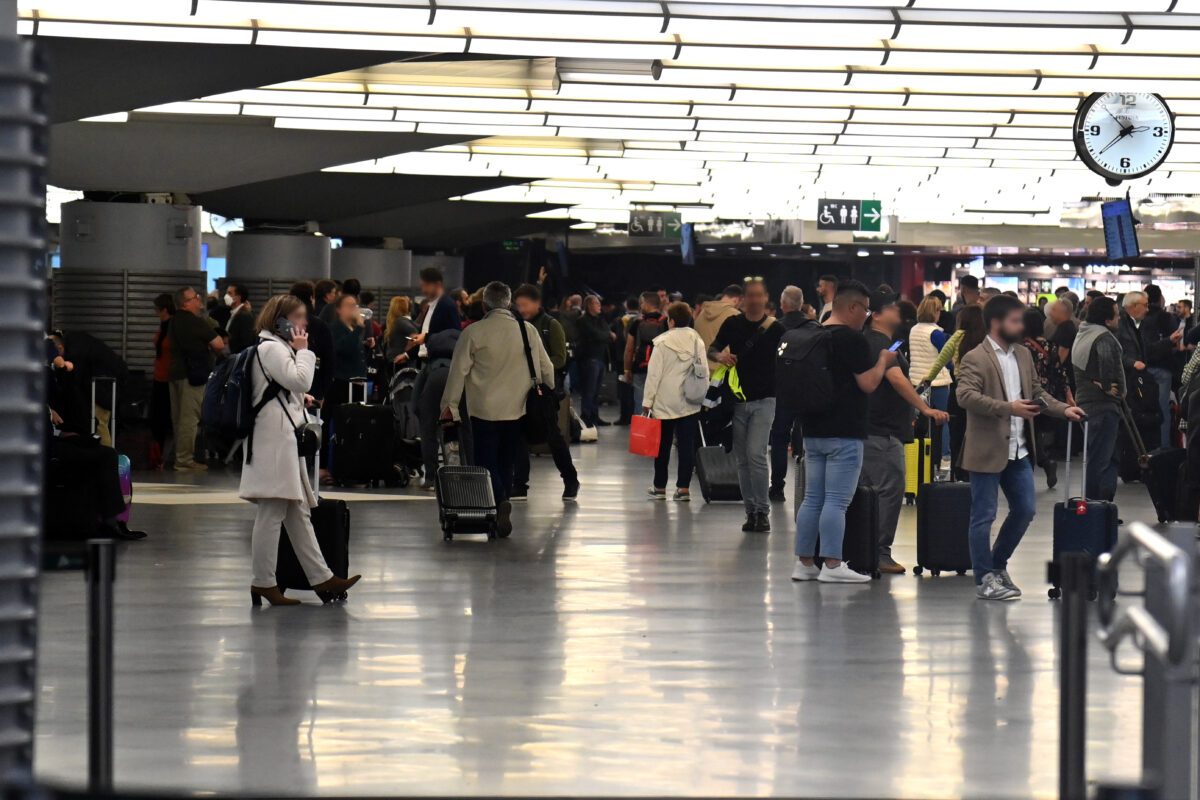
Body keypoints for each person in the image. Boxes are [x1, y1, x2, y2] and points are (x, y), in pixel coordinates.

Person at [957, 295, 1083, 601]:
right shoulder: (976, 357)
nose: (1021, 326)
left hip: (1019, 450)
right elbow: (965, 396)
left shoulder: (1024, 354)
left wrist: (1063, 409)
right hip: (986, 450)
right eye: (1015, 321)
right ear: (996, 323)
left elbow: (1038, 392)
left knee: (1025, 510)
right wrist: (1008, 408)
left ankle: (997, 565)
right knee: (983, 516)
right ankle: (984, 579)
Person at [238, 294, 361, 607]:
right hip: (274, 441)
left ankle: (321, 577)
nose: (304, 323)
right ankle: (263, 582)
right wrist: (305, 351)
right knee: (273, 511)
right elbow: (302, 380)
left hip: (278, 439)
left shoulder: (273, 348)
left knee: (297, 512)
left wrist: (297, 396)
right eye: (298, 318)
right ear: (280, 320)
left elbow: (285, 387)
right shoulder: (272, 348)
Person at [792, 280, 896, 583]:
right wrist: (883, 361)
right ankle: (833, 564)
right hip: (845, 431)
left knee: (812, 498)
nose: (867, 316)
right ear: (853, 307)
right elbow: (869, 383)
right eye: (866, 309)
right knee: (837, 501)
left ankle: (805, 563)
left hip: (813, 428)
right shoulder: (852, 340)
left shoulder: (813, 333)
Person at [441, 281, 555, 538]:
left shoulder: (473, 332)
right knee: (507, 459)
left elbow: (457, 373)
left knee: (485, 461)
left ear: (484, 305)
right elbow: (546, 369)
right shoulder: (527, 330)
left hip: (483, 409)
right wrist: (549, 393)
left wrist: (449, 407)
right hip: (518, 409)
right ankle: (502, 504)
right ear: (509, 304)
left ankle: (500, 499)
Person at [859, 288, 948, 573]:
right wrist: (925, 409)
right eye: (891, 307)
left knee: (875, 490)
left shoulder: (883, 341)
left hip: (876, 429)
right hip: (882, 432)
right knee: (889, 490)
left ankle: (868, 550)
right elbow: (896, 379)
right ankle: (879, 552)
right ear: (876, 315)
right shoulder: (878, 343)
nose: (897, 311)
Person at [708, 279, 785, 533]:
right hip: (737, 399)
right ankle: (750, 511)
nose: (754, 300)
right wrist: (720, 356)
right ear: (743, 299)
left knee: (756, 453)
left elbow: (787, 358)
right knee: (742, 458)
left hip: (766, 399)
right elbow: (712, 348)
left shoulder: (776, 329)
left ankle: (762, 511)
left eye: (758, 295)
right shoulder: (732, 324)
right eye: (750, 295)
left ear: (766, 298)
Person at [511, 283, 580, 503]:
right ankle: (520, 484)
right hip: (518, 390)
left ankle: (570, 479)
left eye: (525, 304)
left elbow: (560, 358)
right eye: (518, 305)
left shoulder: (551, 325)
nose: (522, 309)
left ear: (536, 303)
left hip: (542, 392)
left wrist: (535, 368)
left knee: (553, 436)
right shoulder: (514, 325)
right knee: (518, 437)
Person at [642, 302, 707, 501]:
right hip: (690, 400)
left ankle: (659, 487)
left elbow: (654, 375)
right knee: (686, 446)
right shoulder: (697, 342)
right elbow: (704, 372)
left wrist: (647, 400)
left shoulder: (662, 343)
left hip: (664, 401)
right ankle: (683, 489)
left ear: (670, 321)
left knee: (662, 446)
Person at [1072, 297, 1126, 502]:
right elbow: (1106, 361)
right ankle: (1097, 506)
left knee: (1101, 456)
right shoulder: (1103, 337)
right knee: (1102, 459)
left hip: (1086, 402)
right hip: (1103, 406)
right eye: (1116, 315)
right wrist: (1106, 385)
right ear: (1107, 320)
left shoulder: (1083, 333)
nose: (1119, 318)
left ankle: (1101, 505)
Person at [169, 286, 224, 471]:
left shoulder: (174, 321)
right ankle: (184, 460)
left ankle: (179, 456)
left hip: (176, 374)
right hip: (193, 376)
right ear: (186, 303)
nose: (199, 299)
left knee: (178, 419)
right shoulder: (196, 322)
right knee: (189, 419)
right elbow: (219, 344)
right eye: (195, 297)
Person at [1023, 309, 1071, 489]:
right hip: (1048, 396)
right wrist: (1068, 395)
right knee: (1036, 433)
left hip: (1027, 394)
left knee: (1028, 433)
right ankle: (1044, 460)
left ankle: (1040, 463)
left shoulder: (1022, 347)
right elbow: (1060, 371)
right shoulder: (1050, 345)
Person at [768, 285, 808, 501]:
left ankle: (777, 487)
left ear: (783, 304)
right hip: (807, 391)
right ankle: (809, 487)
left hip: (782, 391)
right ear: (801, 304)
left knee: (780, 437)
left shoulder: (775, 328)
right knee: (807, 437)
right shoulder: (814, 327)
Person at [909, 296, 954, 463]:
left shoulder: (913, 330)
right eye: (938, 311)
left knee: (920, 421)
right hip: (937, 382)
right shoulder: (936, 333)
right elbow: (947, 360)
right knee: (943, 419)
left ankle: (919, 455)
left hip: (917, 382)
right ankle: (945, 455)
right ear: (934, 312)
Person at [1142, 284, 1178, 448]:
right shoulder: (1166, 317)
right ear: (1159, 298)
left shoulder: (1141, 318)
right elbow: (1175, 344)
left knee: (1144, 408)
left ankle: (1145, 446)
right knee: (1163, 408)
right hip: (1163, 368)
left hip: (1143, 368)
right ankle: (1163, 446)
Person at [623, 291, 668, 413]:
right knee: (660, 404)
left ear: (647, 304)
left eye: (641, 303)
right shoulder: (666, 322)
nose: (640, 306)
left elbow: (629, 349)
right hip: (661, 370)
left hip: (640, 368)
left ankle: (642, 424)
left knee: (640, 403)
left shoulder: (637, 322)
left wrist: (627, 370)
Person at [577, 294, 615, 427]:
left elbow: (607, 335)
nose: (599, 306)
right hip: (589, 358)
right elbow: (598, 334)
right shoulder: (583, 320)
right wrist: (607, 335)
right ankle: (586, 416)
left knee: (596, 391)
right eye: (597, 303)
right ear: (589, 305)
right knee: (589, 390)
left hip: (600, 358)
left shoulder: (600, 320)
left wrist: (606, 335)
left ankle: (594, 416)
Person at [330, 294, 373, 406]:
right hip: (343, 383)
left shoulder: (352, 328)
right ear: (339, 309)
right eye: (349, 305)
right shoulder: (335, 328)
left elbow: (357, 353)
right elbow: (344, 348)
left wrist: (366, 346)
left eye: (354, 305)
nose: (353, 309)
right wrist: (359, 327)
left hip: (358, 381)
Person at [413, 267, 462, 361]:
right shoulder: (431, 306)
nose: (423, 290)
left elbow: (454, 335)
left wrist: (426, 338)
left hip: (440, 362)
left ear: (437, 284)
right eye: (422, 286)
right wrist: (407, 355)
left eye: (426, 285)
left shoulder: (447, 306)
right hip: (427, 360)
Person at [695, 284, 743, 374]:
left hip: (700, 371)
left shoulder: (701, 314)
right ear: (736, 300)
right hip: (723, 373)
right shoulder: (736, 316)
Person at [151, 293, 175, 468]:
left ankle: (165, 455)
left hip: (169, 378)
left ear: (164, 309)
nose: (156, 312)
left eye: (157, 309)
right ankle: (158, 454)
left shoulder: (173, 327)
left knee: (165, 419)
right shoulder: (163, 326)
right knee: (157, 418)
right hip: (159, 376)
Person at [384, 296, 419, 367]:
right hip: (403, 363)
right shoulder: (407, 321)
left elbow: (414, 333)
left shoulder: (400, 321)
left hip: (399, 362)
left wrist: (406, 353)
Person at [224, 282, 256, 354]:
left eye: (229, 293)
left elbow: (246, 341)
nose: (226, 296)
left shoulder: (244, 316)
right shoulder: (234, 313)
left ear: (238, 297)